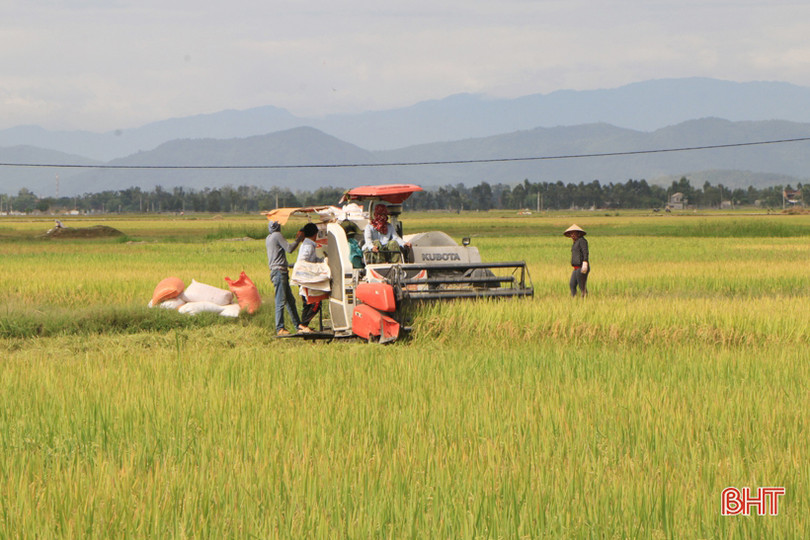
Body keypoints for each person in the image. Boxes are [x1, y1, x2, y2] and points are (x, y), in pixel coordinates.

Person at [266, 220, 311, 335]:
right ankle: (280, 328)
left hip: (278, 272)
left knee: (290, 301)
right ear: (277, 226)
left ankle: (298, 325)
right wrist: (299, 239)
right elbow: (289, 249)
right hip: (280, 273)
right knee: (281, 301)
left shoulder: (269, 238)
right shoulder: (277, 235)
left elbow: (279, 257)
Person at [296, 223, 325, 328]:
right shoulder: (308, 246)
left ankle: (303, 326)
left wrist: (323, 261)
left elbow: (313, 259)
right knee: (315, 303)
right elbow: (303, 260)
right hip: (306, 278)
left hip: (303, 278)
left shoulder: (307, 244)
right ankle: (303, 325)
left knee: (308, 304)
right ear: (315, 234)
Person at [563, 224, 589, 297]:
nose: (572, 235)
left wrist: (585, 262)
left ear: (578, 233)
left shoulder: (582, 241)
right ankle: (574, 299)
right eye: (571, 234)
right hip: (576, 268)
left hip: (581, 267)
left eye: (574, 233)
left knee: (582, 286)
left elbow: (585, 252)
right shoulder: (575, 243)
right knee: (572, 284)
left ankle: (585, 300)